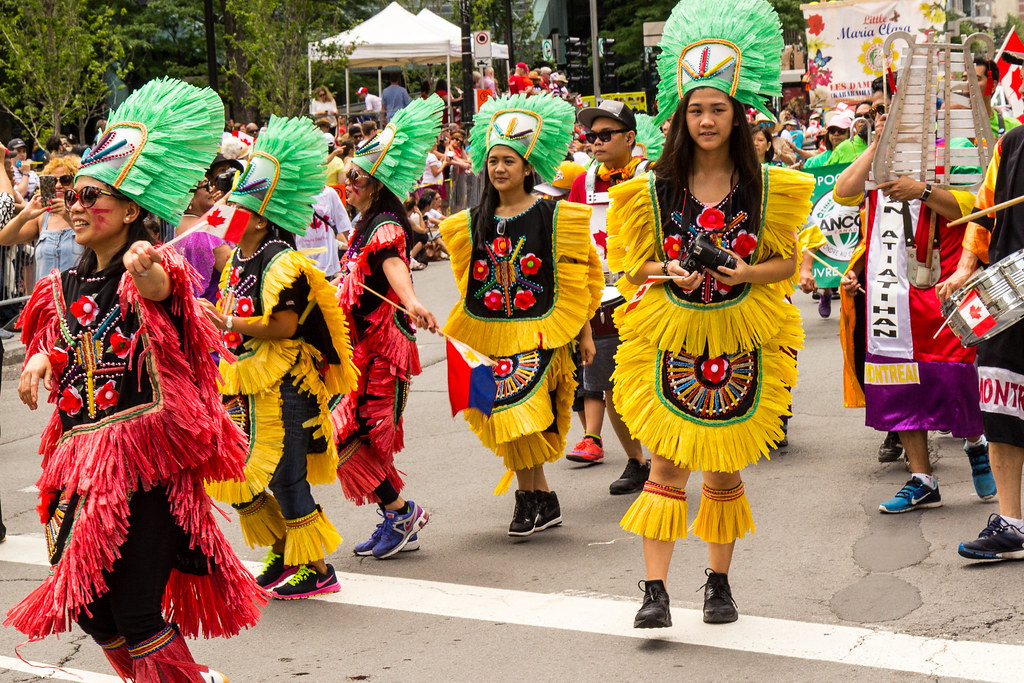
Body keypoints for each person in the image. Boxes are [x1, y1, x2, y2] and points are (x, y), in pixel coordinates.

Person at [7, 77, 263, 683]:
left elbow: (162, 294)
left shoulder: (154, 264)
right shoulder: (58, 286)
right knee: (93, 610)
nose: (75, 205)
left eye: (91, 195)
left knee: (139, 611)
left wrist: (146, 268)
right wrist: (43, 357)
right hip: (79, 466)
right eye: (73, 194)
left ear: (129, 209)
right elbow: (63, 336)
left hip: (145, 464)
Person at [608, 0, 812, 628]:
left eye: (716, 109)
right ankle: (654, 591)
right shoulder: (649, 188)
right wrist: (665, 271)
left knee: (723, 467)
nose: (705, 120)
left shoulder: (769, 188)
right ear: (680, 115)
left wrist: (744, 272)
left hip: (740, 336)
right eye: (695, 109)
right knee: (666, 460)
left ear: (737, 113)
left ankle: (718, 584)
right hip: (672, 334)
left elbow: (789, 265)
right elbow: (629, 268)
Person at [202, 116, 359, 600]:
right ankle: (284, 548)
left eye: (239, 206)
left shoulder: (281, 260)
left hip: (286, 382)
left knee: (285, 474)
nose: (228, 211)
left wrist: (226, 323)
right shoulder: (237, 258)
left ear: (263, 216)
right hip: (244, 381)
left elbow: (284, 328)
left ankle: (317, 568)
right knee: (239, 472)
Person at [441, 93, 602, 537]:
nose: (499, 169)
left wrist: (584, 331)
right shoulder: (475, 220)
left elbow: (578, 276)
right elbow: (469, 282)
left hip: (542, 331)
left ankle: (531, 498)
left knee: (524, 408)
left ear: (528, 166)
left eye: (508, 160)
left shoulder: (554, 216)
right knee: (504, 414)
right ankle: (539, 498)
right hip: (492, 333)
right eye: (493, 160)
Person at [834, 78, 995, 515]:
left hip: (945, 281)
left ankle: (976, 440)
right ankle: (922, 479)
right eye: (893, 112)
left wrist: (921, 190)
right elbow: (843, 193)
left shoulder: (954, 150)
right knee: (900, 381)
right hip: (891, 289)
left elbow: (976, 208)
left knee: (955, 376)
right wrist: (877, 145)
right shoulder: (879, 156)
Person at [332, 95, 443, 559]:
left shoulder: (385, 225)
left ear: (374, 182)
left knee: (351, 433)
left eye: (355, 177)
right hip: (357, 349)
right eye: (347, 177)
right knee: (354, 435)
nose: (347, 184)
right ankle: (398, 513)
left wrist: (413, 300)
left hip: (382, 350)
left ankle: (401, 511)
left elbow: (395, 266)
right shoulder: (363, 223)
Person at [938, 125, 1024, 560]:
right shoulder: (1012, 142)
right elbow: (984, 213)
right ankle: (1012, 524)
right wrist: (966, 266)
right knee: (1002, 405)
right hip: (1010, 292)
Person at [565, 100, 652, 495]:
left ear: (630, 138)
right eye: (591, 136)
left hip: (649, 293)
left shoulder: (651, 177)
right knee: (609, 385)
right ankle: (637, 461)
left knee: (656, 381)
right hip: (601, 300)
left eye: (605, 135)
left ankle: (671, 457)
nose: (596, 143)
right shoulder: (582, 184)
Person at [0, 155, 83, 282]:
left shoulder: (84, 213)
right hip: (46, 299)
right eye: (53, 181)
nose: (58, 185)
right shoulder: (43, 216)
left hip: (76, 299)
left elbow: (95, 242)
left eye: (65, 180)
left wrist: (68, 215)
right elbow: (4, 239)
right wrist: (24, 214)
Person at [176, 153, 244, 301]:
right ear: (189, 198)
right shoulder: (205, 232)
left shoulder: (179, 225)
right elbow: (236, 271)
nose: (212, 189)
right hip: (215, 309)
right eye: (206, 186)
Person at [298, 184, 352, 279]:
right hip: (302, 263)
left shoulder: (329, 193)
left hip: (327, 264)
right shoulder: (293, 194)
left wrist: (354, 251)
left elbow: (344, 226)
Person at [972, 55, 1019, 139]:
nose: (969, 83)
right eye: (965, 79)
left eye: (976, 79)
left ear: (992, 85)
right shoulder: (950, 122)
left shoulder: (1013, 127)